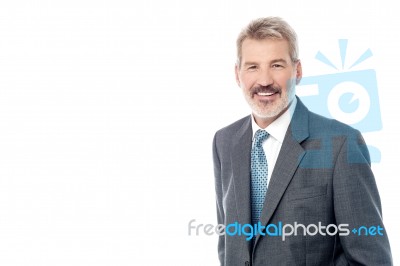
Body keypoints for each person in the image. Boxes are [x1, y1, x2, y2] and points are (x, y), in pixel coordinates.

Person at [212, 17, 392, 266]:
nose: (264, 80)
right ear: (237, 74)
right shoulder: (225, 141)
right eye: (253, 66)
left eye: (276, 65)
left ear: (297, 71)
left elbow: (371, 259)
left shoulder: (341, 144)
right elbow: (228, 245)